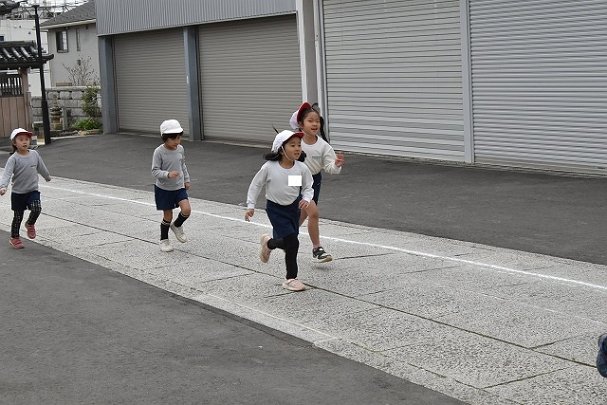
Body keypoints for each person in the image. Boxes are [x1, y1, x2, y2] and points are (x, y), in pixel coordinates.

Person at [245, 130, 314, 292]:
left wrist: (306, 198)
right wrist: (250, 205)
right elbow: (256, 185)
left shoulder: (301, 168)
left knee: (289, 242)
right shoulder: (269, 167)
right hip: (275, 209)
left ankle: (269, 243)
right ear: (281, 149)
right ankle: (291, 278)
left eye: (299, 145)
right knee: (293, 242)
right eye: (292, 145)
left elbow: (307, 187)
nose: (297, 148)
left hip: (294, 209)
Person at [289, 102, 345, 263]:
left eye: (317, 121)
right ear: (301, 124)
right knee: (313, 212)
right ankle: (317, 248)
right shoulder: (294, 141)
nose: (315, 124)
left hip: (314, 181)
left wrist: (336, 165)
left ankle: (276, 240)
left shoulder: (323, 146)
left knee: (301, 215)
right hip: (296, 180)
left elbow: (330, 167)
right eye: (310, 121)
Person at [0, 128, 51, 249]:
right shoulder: (14, 158)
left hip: (32, 190)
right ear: (14, 143)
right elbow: (7, 173)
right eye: (21, 139)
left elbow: (41, 167)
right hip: (18, 193)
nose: (24, 142)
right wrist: (3, 186)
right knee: (18, 216)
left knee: (37, 208)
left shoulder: (34, 154)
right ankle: (15, 238)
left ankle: (30, 223)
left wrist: (46, 176)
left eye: (27, 139)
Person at [151, 119, 191, 252]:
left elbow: (182, 165)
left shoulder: (180, 149)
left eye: (179, 138)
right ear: (165, 138)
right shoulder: (159, 152)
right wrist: (167, 174)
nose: (177, 141)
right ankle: (164, 240)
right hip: (164, 189)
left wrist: (186, 179)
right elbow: (155, 171)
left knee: (186, 210)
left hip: (179, 187)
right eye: (174, 139)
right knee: (168, 216)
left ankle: (177, 225)